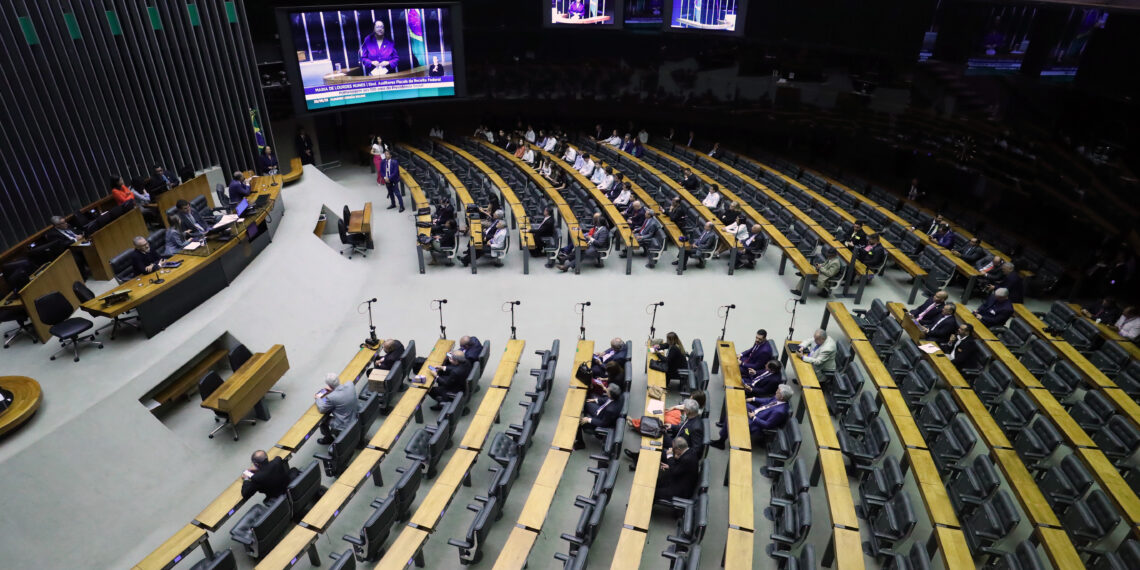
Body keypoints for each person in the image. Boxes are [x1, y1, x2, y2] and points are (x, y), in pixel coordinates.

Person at [710, 384, 794, 448]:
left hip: (756, 423)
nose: (776, 392)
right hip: (756, 411)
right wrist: (753, 398)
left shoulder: (779, 411)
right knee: (737, 404)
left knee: (732, 419)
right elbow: (768, 400)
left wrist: (753, 417)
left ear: (782, 397)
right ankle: (725, 427)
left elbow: (767, 425)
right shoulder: (779, 398)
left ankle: (721, 442)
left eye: (778, 392)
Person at [627, 389, 706, 431]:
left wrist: (677, 408)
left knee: (661, 420)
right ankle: (637, 421)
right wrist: (675, 407)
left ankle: (635, 424)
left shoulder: (696, 412)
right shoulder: (694, 405)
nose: (689, 399)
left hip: (680, 422)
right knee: (663, 413)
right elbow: (683, 406)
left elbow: (685, 421)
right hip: (681, 415)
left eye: (691, 399)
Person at [576, 383, 623, 449]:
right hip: (602, 411)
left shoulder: (611, 410)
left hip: (601, 418)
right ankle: (585, 414)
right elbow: (607, 400)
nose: (606, 390)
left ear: (611, 395)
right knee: (588, 401)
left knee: (578, 423)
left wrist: (588, 419)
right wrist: (595, 400)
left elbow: (603, 423)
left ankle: (580, 444)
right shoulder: (619, 396)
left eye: (607, 391)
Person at [316, 373, 358, 444]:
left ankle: (328, 438)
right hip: (355, 416)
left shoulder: (331, 397)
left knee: (322, 421)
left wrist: (317, 398)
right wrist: (333, 390)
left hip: (344, 424)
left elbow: (322, 409)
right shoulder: (350, 384)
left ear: (329, 385)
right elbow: (342, 395)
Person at [654, 437, 699, 501]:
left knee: (654, 492)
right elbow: (680, 467)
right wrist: (670, 466)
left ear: (678, 449)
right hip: (680, 479)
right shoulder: (691, 451)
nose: (672, 450)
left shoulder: (687, 459)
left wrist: (669, 455)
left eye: (673, 449)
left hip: (681, 490)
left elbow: (674, 472)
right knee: (656, 482)